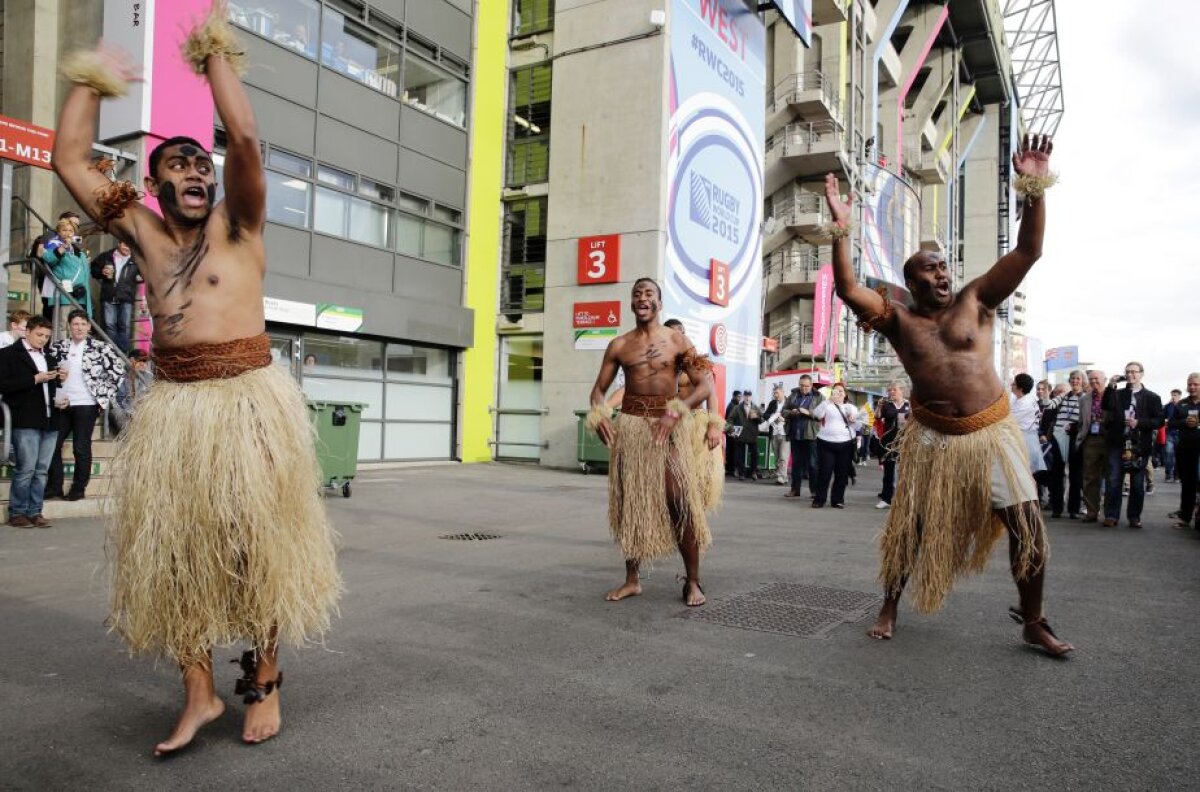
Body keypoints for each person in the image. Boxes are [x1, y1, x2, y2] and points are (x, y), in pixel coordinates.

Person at [53, 5, 340, 754]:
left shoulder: (238, 225)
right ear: (151, 184)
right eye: (177, 165)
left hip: (249, 402)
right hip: (178, 407)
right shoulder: (139, 230)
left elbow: (242, 138)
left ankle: (266, 679)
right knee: (176, 555)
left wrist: (212, 56)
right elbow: (70, 163)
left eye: (198, 165)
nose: (193, 171)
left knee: (260, 546)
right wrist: (92, 82)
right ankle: (199, 692)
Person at [823, 133, 1073, 656]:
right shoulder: (900, 321)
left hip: (991, 433)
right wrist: (841, 229)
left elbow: (1030, 250)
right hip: (934, 440)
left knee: (1027, 525)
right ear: (910, 282)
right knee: (909, 527)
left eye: (943, 267)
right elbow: (848, 289)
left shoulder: (977, 300)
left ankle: (1034, 619)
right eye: (928, 270)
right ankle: (889, 604)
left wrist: (1034, 188)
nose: (941, 274)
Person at [586, 277, 716, 608]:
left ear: (659, 303)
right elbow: (598, 390)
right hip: (631, 427)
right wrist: (599, 412)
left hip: (668, 427)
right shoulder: (619, 345)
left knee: (679, 500)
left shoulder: (677, 340)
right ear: (631, 304)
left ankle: (693, 581)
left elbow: (704, 385)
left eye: (649, 294)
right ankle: (632, 580)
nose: (643, 298)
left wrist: (677, 412)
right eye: (637, 294)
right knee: (631, 502)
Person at [43, 311, 124, 501]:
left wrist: (102, 398)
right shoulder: (58, 347)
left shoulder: (100, 348)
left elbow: (118, 373)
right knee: (52, 445)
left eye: (82, 324)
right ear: (69, 326)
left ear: (89, 327)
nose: (79, 328)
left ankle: (79, 488)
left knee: (81, 447)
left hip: (86, 404)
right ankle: (55, 486)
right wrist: (56, 378)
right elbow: (47, 370)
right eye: (75, 324)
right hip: (62, 403)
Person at [0, 316, 64, 528]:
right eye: (39, 335)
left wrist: (60, 381)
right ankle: (17, 512)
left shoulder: (49, 356)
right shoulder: (8, 354)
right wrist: (34, 379)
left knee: (42, 469)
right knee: (26, 469)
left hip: (49, 418)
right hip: (24, 418)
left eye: (46, 336)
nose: (43, 340)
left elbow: (50, 387)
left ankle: (35, 511)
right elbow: (3, 385)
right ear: (27, 331)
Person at [663, 318, 724, 512]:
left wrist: (714, 426)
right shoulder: (662, 365)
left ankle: (693, 524)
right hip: (668, 423)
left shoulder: (696, 364)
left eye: (681, 332)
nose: (678, 336)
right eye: (673, 333)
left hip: (694, 423)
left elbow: (711, 394)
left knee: (695, 481)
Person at [1100, 362, 1163, 529]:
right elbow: (1105, 405)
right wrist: (1111, 386)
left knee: (1137, 483)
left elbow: (1159, 421)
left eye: (1134, 372)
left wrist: (1139, 422)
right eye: (1127, 372)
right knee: (1114, 480)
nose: (1130, 375)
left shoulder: (1152, 397)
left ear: (1141, 374)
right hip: (1117, 443)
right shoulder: (1118, 394)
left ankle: (1134, 516)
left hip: (1139, 445)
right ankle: (1112, 515)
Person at [810, 382, 857, 508]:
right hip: (825, 442)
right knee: (824, 472)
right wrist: (828, 401)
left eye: (841, 391)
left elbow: (857, 424)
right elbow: (817, 414)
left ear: (845, 394)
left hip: (845, 443)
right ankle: (819, 499)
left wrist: (853, 418)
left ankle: (837, 499)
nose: (838, 393)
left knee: (842, 473)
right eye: (835, 391)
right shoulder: (827, 405)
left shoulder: (850, 407)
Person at [41, 216, 93, 327]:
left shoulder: (77, 251)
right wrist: (63, 247)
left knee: (76, 326)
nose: (68, 233)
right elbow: (49, 259)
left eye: (71, 230)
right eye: (64, 230)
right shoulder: (54, 245)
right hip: (64, 294)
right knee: (62, 325)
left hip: (80, 295)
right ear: (59, 232)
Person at [91, 239, 140, 353]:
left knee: (125, 326)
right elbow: (93, 269)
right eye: (125, 244)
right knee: (109, 326)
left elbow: (146, 273)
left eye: (130, 245)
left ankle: (122, 354)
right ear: (119, 243)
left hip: (126, 297)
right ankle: (110, 352)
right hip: (109, 296)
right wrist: (102, 272)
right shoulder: (106, 256)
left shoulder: (136, 260)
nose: (127, 248)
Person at [782, 376, 823, 498]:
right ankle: (795, 489)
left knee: (812, 464)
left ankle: (814, 491)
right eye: (801, 385)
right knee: (796, 464)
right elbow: (783, 411)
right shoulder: (793, 395)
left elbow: (821, 415)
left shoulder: (818, 397)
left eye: (806, 386)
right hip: (795, 434)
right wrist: (791, 413)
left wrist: (808, 413)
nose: (803, 388)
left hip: (811, 435)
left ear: (811, 385)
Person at [1167, 373, 1199, 529]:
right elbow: (1171, 423)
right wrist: (1184, 422)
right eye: (1190, 384)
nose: (1192, 387)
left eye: (1196, 384)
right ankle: (1185, 518)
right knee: (1188, 485)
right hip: (1185, 449)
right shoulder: (1182, 404)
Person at [1052, 370, 1085, 518]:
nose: (1075, 381)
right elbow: (1049, 406)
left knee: (1075, 475)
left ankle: (1073, 509)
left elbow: (1086, 420)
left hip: (1075, 437)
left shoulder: (1085, 398)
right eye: (1072, 379)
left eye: (1078, 378)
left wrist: (1075, 427)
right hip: (1058, 436)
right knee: (1057, 474)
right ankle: (1057, 508)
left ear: (1082, 381)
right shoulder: (1064, 396)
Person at [875, 382, 910, 509]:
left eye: (894, 390)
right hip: (888, 442)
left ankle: (905, 498)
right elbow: (877, 417)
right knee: (888, 471)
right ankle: (886, 498)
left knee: (905, 471)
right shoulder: (886, 405)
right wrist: (878, 407)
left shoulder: (909, 405)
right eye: (889, 390)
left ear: (902, 390)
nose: (891, 392)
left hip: (905, 442)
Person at [111, 348, 154, 431]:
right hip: (126, 414)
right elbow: (120, 400)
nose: (143, 364)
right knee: (117, 412)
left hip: (144, 413)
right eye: (140, 360)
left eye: (145, 361)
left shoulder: (150, 377)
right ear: (131, 361)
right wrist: (132, 412)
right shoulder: (120, 376)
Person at [761, 384, 790, 485]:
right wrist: (772, 415)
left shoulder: (789, 402)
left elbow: (794, 417)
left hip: (785, 433)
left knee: (783, 456)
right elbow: (765, 415)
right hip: (773, 433)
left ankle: (782, 477)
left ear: (782, 392)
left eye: (777, 393)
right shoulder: (772, 403)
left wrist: (784, 419)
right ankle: (782, 476)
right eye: (774, 393)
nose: (775, 395)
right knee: (777, 456)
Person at [734, 390, 761, 481]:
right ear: (743, 397)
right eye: (746, 396)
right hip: (740, 434)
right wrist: (731, 429)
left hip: (752, 434)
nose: (747, 398)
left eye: (749, 396)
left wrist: (756, 417)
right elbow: (730, 419)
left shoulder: (756, 407)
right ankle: (742, 473)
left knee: (755, 453)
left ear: (751, 397)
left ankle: (752, 472)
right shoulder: (737, 408)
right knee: (740, 455)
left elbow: (762, 420)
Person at [1162, 388, 1183, 483]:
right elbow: (1162, 416)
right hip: (1170, 432)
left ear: (1179, 396)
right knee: (1169, 453)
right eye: (1172, 395)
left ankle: (1176, 475)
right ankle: (1168, 474)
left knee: (1179, 455)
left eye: (1175, 395)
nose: (1173, 397)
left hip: (1180, 433)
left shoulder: (1183, 405)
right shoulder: (1168, 406)